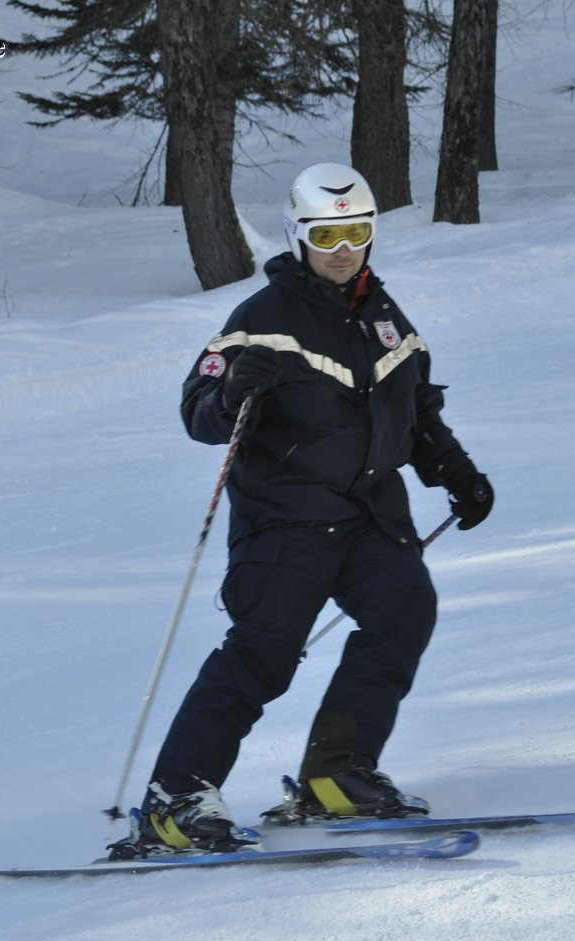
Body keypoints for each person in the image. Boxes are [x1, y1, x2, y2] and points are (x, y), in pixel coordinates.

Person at [114, 162, 495, 859]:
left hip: (371, 518)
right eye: (328, 234)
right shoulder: (259, 321)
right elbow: (197, 413)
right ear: (298, 235)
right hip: (283, 524)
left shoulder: (385, 316)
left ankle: (337, 774)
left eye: (357, 231)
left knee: (403, 611)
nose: (344, 248)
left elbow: (416, 415)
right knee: (262, 657)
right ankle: (177, 799)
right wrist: (232, 394)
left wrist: (458, 473)